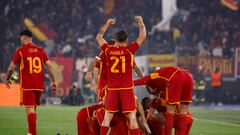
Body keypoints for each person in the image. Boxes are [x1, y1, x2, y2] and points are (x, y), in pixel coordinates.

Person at [95, 16, 146, 135]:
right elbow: (142, 37)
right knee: (132, 119)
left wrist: (107, 23)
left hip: (112, 89)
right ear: (127, 40)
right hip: (126, 90)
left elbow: (99, 37)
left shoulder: (108, 50)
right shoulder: (129, 50)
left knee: (107, 118)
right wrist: (141, 23)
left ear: (116, 40)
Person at [4, 30, 57, 135]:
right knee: (33, 110)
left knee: (30, 112)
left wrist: (7, 79)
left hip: (27, 86)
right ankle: (30, 132)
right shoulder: (41, 50)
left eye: (20, 38)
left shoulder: (20, 51)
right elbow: (50, 66)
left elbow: (11, 68)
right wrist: (54, 81)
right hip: (39, 87)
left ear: (23, 37)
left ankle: (32, 133)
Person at [134, 66, 193, 135]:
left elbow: (140, 81)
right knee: (183, 112)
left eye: (151, 91)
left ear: (149, 86)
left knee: (169, 112)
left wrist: (125, 84)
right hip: (188, 76)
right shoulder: (162, 87)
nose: (152, 93)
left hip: (176, 76)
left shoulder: (152, 78)